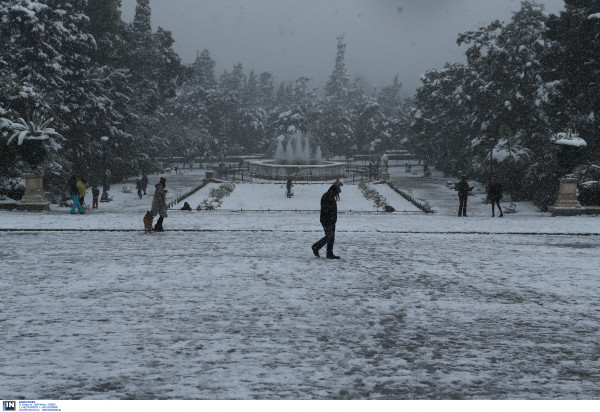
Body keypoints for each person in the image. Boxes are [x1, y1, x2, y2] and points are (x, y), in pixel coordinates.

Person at [311, 184, 342, 259]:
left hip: (331, 220)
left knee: (331, 237)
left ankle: (329, 253)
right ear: (334, 190)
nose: (337, 194)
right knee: (329, 236)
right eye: (337, 192)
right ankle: (316, 246)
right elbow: (326, 209)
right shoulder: (327, 196)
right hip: (327, 220)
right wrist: (330, 218)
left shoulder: (330, 196)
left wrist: (333, 219)